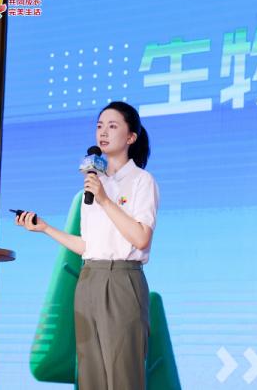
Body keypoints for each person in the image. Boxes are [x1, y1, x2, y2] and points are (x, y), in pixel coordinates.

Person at [15, 101, 159, 389]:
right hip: (89, 278)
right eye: (99, 126)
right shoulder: (92, 184)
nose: (103, 132)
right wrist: (45, 228)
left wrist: (104, 200)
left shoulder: (141, 181)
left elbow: (141, 237)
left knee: (123, 372)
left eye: (112, 126)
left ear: (131, 137)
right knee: (90, 373)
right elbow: (87, 246)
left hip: (123, 280)